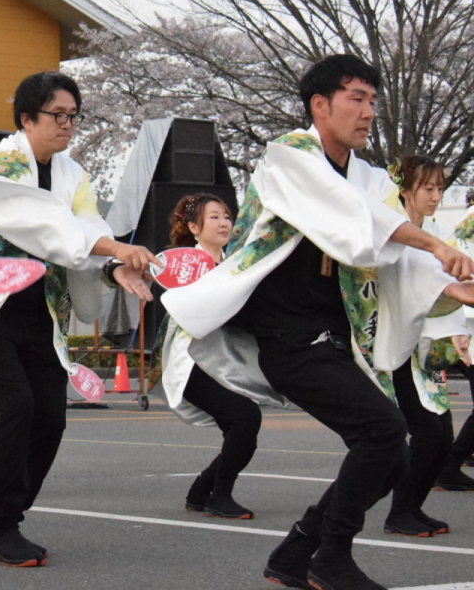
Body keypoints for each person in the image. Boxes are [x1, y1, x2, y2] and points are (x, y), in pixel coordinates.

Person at [163, 54, 474, 590]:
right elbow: (357, 218)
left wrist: (452, 286)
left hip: (335, 337)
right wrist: (435, 243)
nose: (368, 112)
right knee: (381, 434)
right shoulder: (288, 157)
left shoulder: (369, 177)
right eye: (357, 98)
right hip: (287, 337)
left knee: (393, 459)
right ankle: (329, 559)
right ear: (320, 104)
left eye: (373, 101)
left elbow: (393, 245)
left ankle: (295, 554)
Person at [0, 71, 157, 568]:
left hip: (38, 312)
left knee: (52, 419)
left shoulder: (72, 174)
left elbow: (86, 225)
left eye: (72, 116)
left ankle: (10, 518)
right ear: (26, 118)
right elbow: (46, 225)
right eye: (56, 115)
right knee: (17, 407)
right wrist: (114, 248)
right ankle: (1, 528)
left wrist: (113, 265)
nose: (67, 125)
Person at [379, 156, 471, 536]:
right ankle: (400, 511)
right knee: (427, 433)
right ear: (404, 189)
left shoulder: (431, 230)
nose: (435, 196)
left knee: (442, 435)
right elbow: (412, 285)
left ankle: (411, 507)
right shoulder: (393, 231)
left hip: (425, 347)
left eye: (439, 188)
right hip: (395, 343)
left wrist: (456, 331)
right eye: (427, 188)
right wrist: (452, 290)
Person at [160, 193, 263, 520]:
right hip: (190, 361)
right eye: (214, 217)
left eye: (227, 217)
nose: (224, 223)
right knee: (245, 418)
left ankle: (202, 491)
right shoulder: (185, 263)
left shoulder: (233, 263)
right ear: (193, 227)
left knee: (241, 426)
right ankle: (218, 495)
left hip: (219, 362)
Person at [435, 186, 474, 492]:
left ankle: (449, 464)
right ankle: (447, 465)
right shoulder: (470, 225)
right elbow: (456, 276)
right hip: (465, 328)